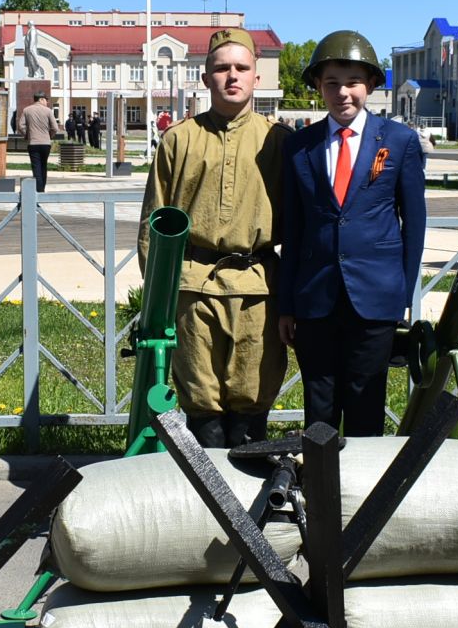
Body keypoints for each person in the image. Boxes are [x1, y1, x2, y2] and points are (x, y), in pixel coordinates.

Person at [140, 27, 287, 448]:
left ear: (257, 77)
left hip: (258, 288)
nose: (232, 76)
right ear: (205, 78)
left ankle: (248, 507)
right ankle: (206, 505)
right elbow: (154, 224)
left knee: (251, 400)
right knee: (202, 406)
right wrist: (157, 300)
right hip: (193, 288)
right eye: (221, 68)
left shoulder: (278, 141)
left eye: (242, 68)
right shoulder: (179, 140)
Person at [278, 29, 425, 439]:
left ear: (372, 85)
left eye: (353, 82)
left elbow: (414, 224)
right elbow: (293, 229)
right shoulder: (299, 147)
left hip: (376, 296)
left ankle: (362, 493)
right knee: (319, 398)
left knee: (366, 396)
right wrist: (287, 303)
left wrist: (403, 293)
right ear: (318, 88)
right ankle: (320, 491)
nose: (343, 93)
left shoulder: (398, 142)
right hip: (315, 297)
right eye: (332, 83)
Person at [14, 89, 63, 191]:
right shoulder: (48, 111)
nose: (47, 102)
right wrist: (49, 135)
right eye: (46, 100)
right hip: (45, 144)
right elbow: (55, 128)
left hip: (33, 143)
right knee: (43, 166)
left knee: (36, 167)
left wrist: (27, 135)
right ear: (41, 99)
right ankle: (42, 189)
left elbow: (20, 126)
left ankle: (38, 190)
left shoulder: (27, 110)